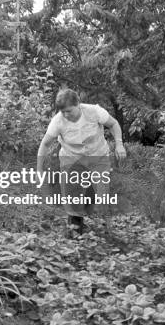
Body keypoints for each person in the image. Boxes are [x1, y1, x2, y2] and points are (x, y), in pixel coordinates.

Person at [37, 89, 127, 235]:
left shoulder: (94, 111)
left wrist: (119, 144)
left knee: (101, 195)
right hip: (71, 159)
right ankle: (75, 233)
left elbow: (114, 124)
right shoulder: (58, 121)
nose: (66, 115)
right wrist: (39, 170)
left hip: (98, 156)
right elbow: (45, 144)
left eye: (69, 111)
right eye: (63, 112)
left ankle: (106, 232)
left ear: (78, 104)